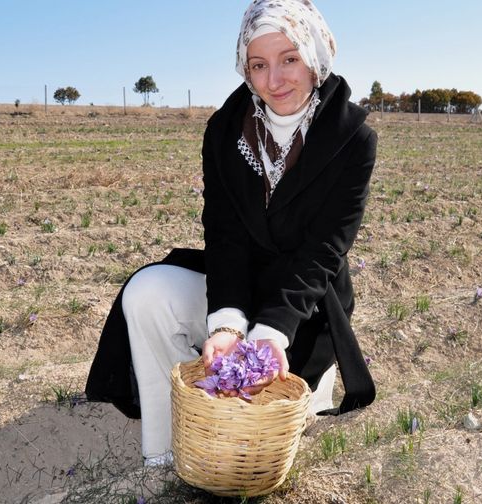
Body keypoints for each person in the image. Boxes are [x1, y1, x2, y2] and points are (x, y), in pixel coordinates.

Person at [85, 0, 376, 467]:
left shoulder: (352, 139)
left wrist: (269, 335)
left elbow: (324, 250)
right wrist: (225, 324)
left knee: (261, 438)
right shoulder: (224, 130)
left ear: (315, 56)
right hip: (235, 289)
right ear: (244, 65)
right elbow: (224, 235)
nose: (274, 81)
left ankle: (309, 386)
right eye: (258, 65)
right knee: (146, 291)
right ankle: (163, 454)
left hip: (300, 310)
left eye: (290, 59)